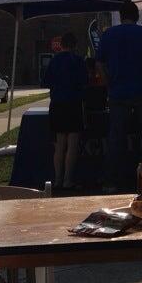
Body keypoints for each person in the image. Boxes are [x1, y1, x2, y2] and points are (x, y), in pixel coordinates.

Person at [95, 0, 142, 192]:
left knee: (116, 138)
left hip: (118, 93)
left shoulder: (109, 35)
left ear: (120, 16)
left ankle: (111, 181)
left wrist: (109, 83)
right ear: (137, 16)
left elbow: (99, 63)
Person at [43, 31, 87, 190]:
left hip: (57, 104)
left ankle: (57, 179)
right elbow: (84, 82)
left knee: (59, 144)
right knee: (72, 143)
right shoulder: (78, 61)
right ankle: (68, 180)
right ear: (74, 45)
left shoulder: (53, 61)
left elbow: (46, 82)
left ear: (61, 45)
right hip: (73, 104)